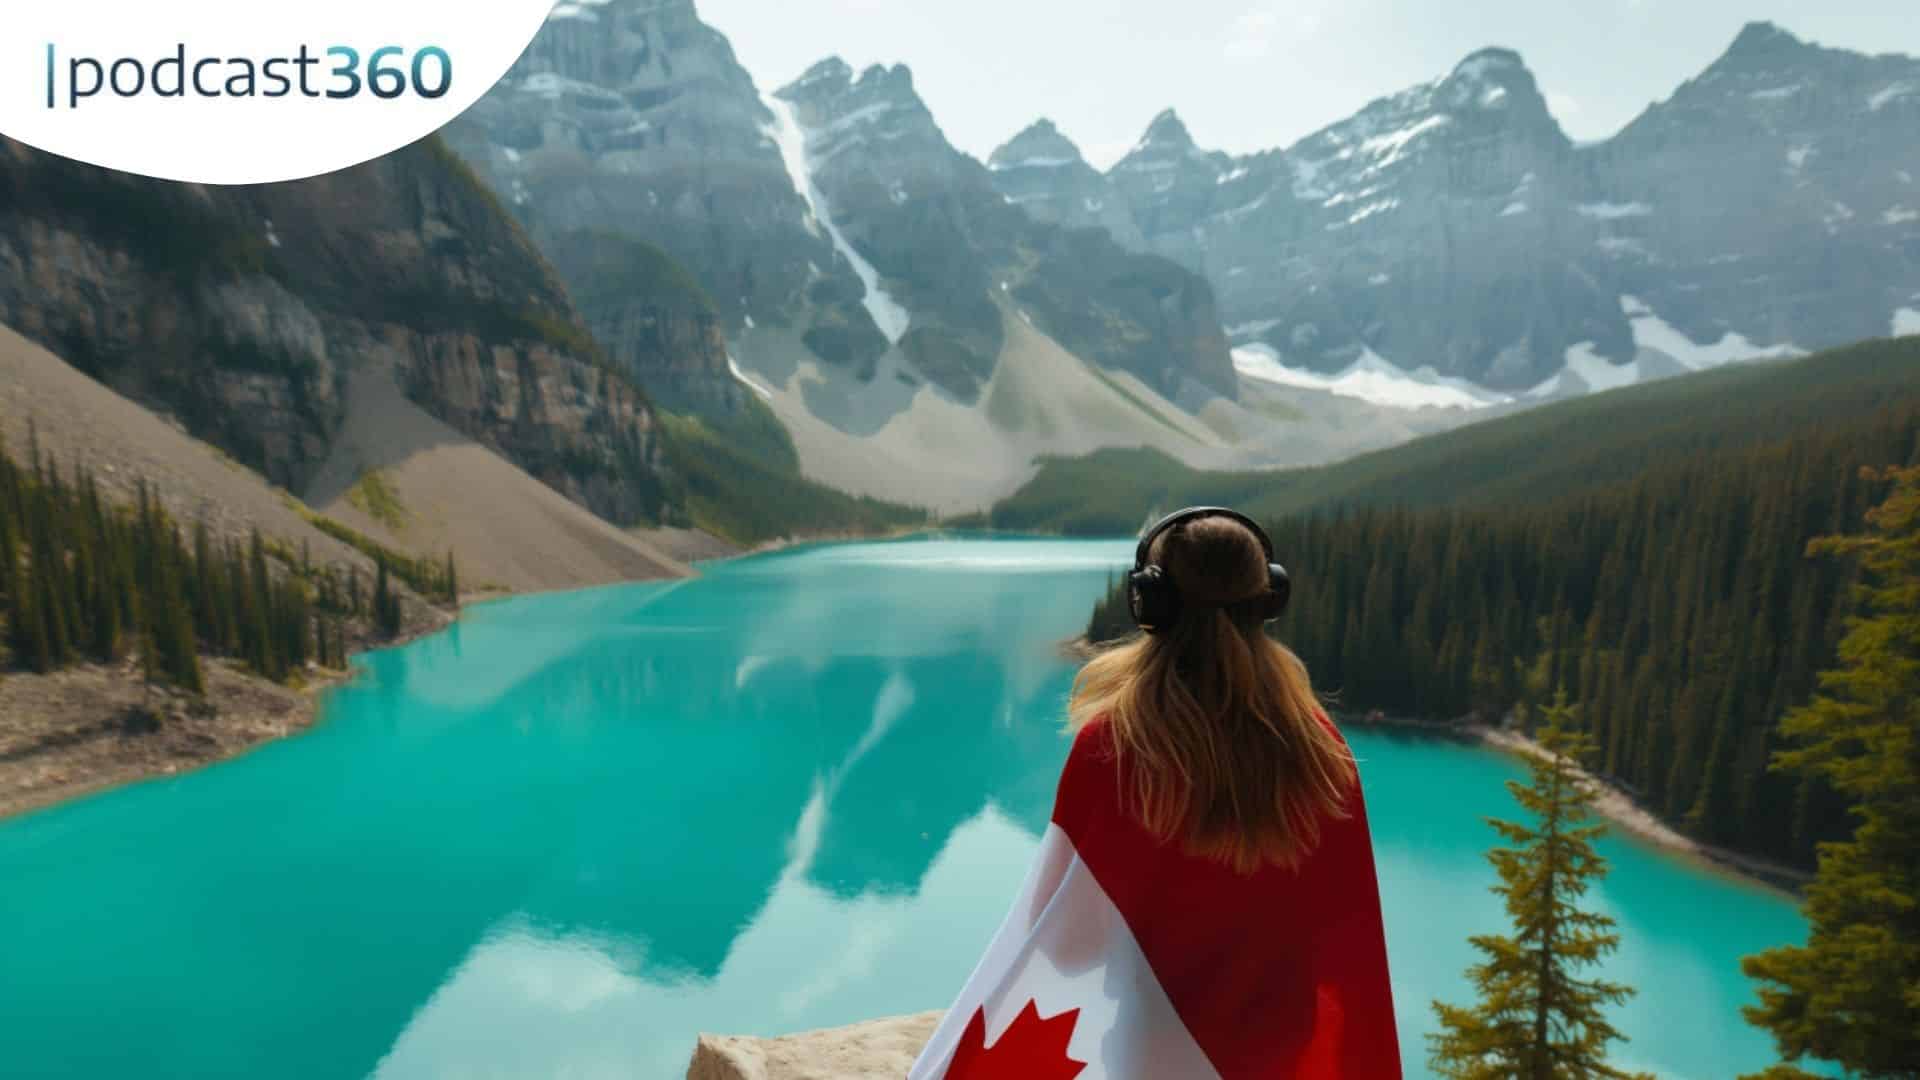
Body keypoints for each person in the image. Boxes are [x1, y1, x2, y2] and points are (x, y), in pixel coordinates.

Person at [909, 507, 1401, 1079]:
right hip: (1285, 1049)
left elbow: (1068, 947)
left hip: (1159, 1050)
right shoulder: (1319, 746)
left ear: (1150, 603)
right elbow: (1344, 928)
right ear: (1268, 598)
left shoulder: (1114, 745)